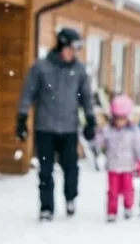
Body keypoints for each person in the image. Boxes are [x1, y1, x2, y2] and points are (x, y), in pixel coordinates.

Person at [17, 27, 95, 221]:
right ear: (62, 45)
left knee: (71, 169)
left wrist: (90, 119)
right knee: (46, 170)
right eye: (72, 48)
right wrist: (22, 118)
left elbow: (86, 97)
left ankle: (70, 199)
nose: (74, 53)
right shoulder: (41, 67)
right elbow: (28, 94)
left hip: (69, 128)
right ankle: (46, 207)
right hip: (45, 128)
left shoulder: (79, 70)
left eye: (77, 50)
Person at [95, 95, 140, 222]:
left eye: (122, 118)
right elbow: (98, 143)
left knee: (128, 190)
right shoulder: (108, 130)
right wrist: (97, 133)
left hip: (128, 167)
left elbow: (139, 147)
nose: (120, 121)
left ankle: (128, 207)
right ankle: (112, 212)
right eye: (117, 118)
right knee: (113, 191)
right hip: (113, 167)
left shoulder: (134, 131)